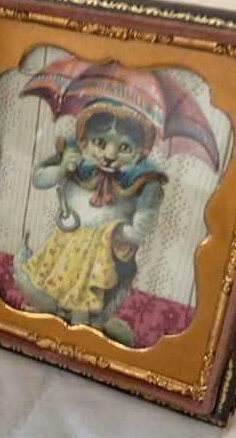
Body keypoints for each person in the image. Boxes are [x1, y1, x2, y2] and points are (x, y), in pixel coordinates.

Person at [12, 102, 167, 347]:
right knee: (53, 283)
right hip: (66, 246)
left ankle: (84, 330)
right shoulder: (73, 153)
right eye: (99, 142)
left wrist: (119, 233)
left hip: (109, 255)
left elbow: (143, 223)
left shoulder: (144, 177)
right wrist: (62, 168)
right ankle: (57, 317)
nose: (110, 156)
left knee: (90, 302)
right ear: (84, 140)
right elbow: (38, 178)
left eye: (124, 147)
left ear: (140, 150)